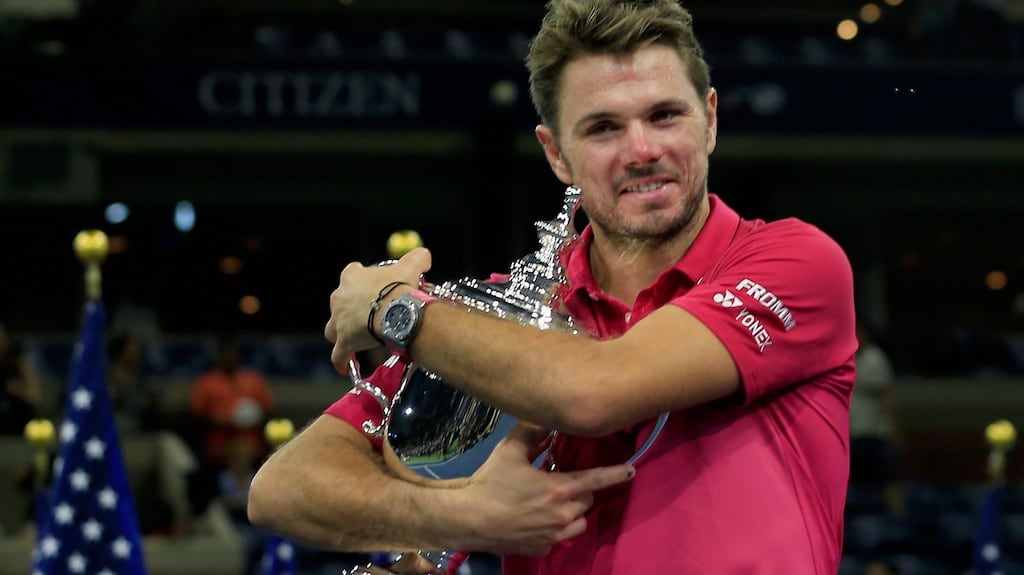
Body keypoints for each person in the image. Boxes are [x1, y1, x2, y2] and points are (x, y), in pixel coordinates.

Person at [248, 1, 857, 573]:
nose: (642, 150)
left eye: (665, 115)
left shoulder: (796, 263)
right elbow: (282, 489)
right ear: (557, 155)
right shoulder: (509, 314)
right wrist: (468, 516)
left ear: (711, 120)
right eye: (602, 129)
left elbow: (594, 392)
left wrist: (393, 309)